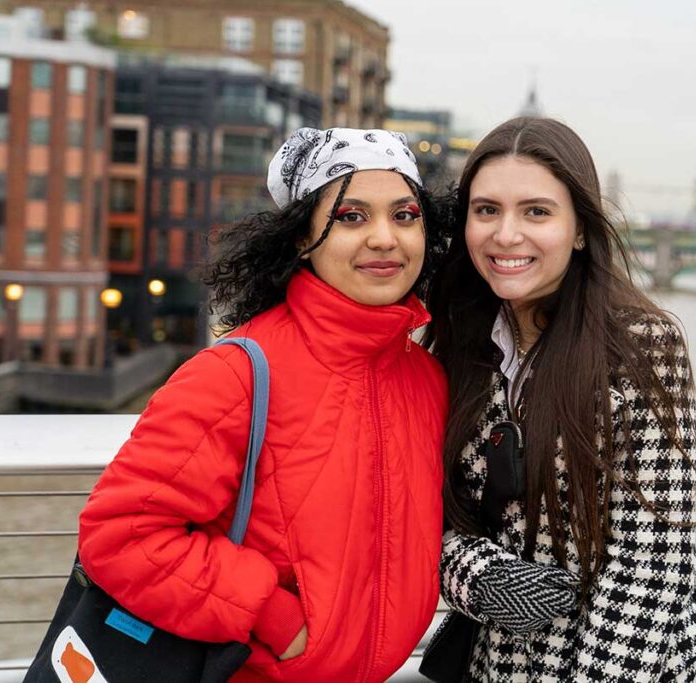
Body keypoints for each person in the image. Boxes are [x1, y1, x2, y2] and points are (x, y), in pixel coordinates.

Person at [77, 127, 449, 682]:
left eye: (405, 215)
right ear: (301, 237)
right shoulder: (236, 374)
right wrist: (274, 619)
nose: (385, 239)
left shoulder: (425, 380)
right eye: (350, 217)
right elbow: (122, 533)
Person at [426, 117, 696, 681]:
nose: (506, 235)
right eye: (487, 209)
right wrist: (472, 571)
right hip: (498, 664)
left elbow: (647, 568)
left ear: (581, 230)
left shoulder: (640, 346)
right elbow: (417, 511)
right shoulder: (456, 341)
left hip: (631, 664)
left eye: (536, 211)